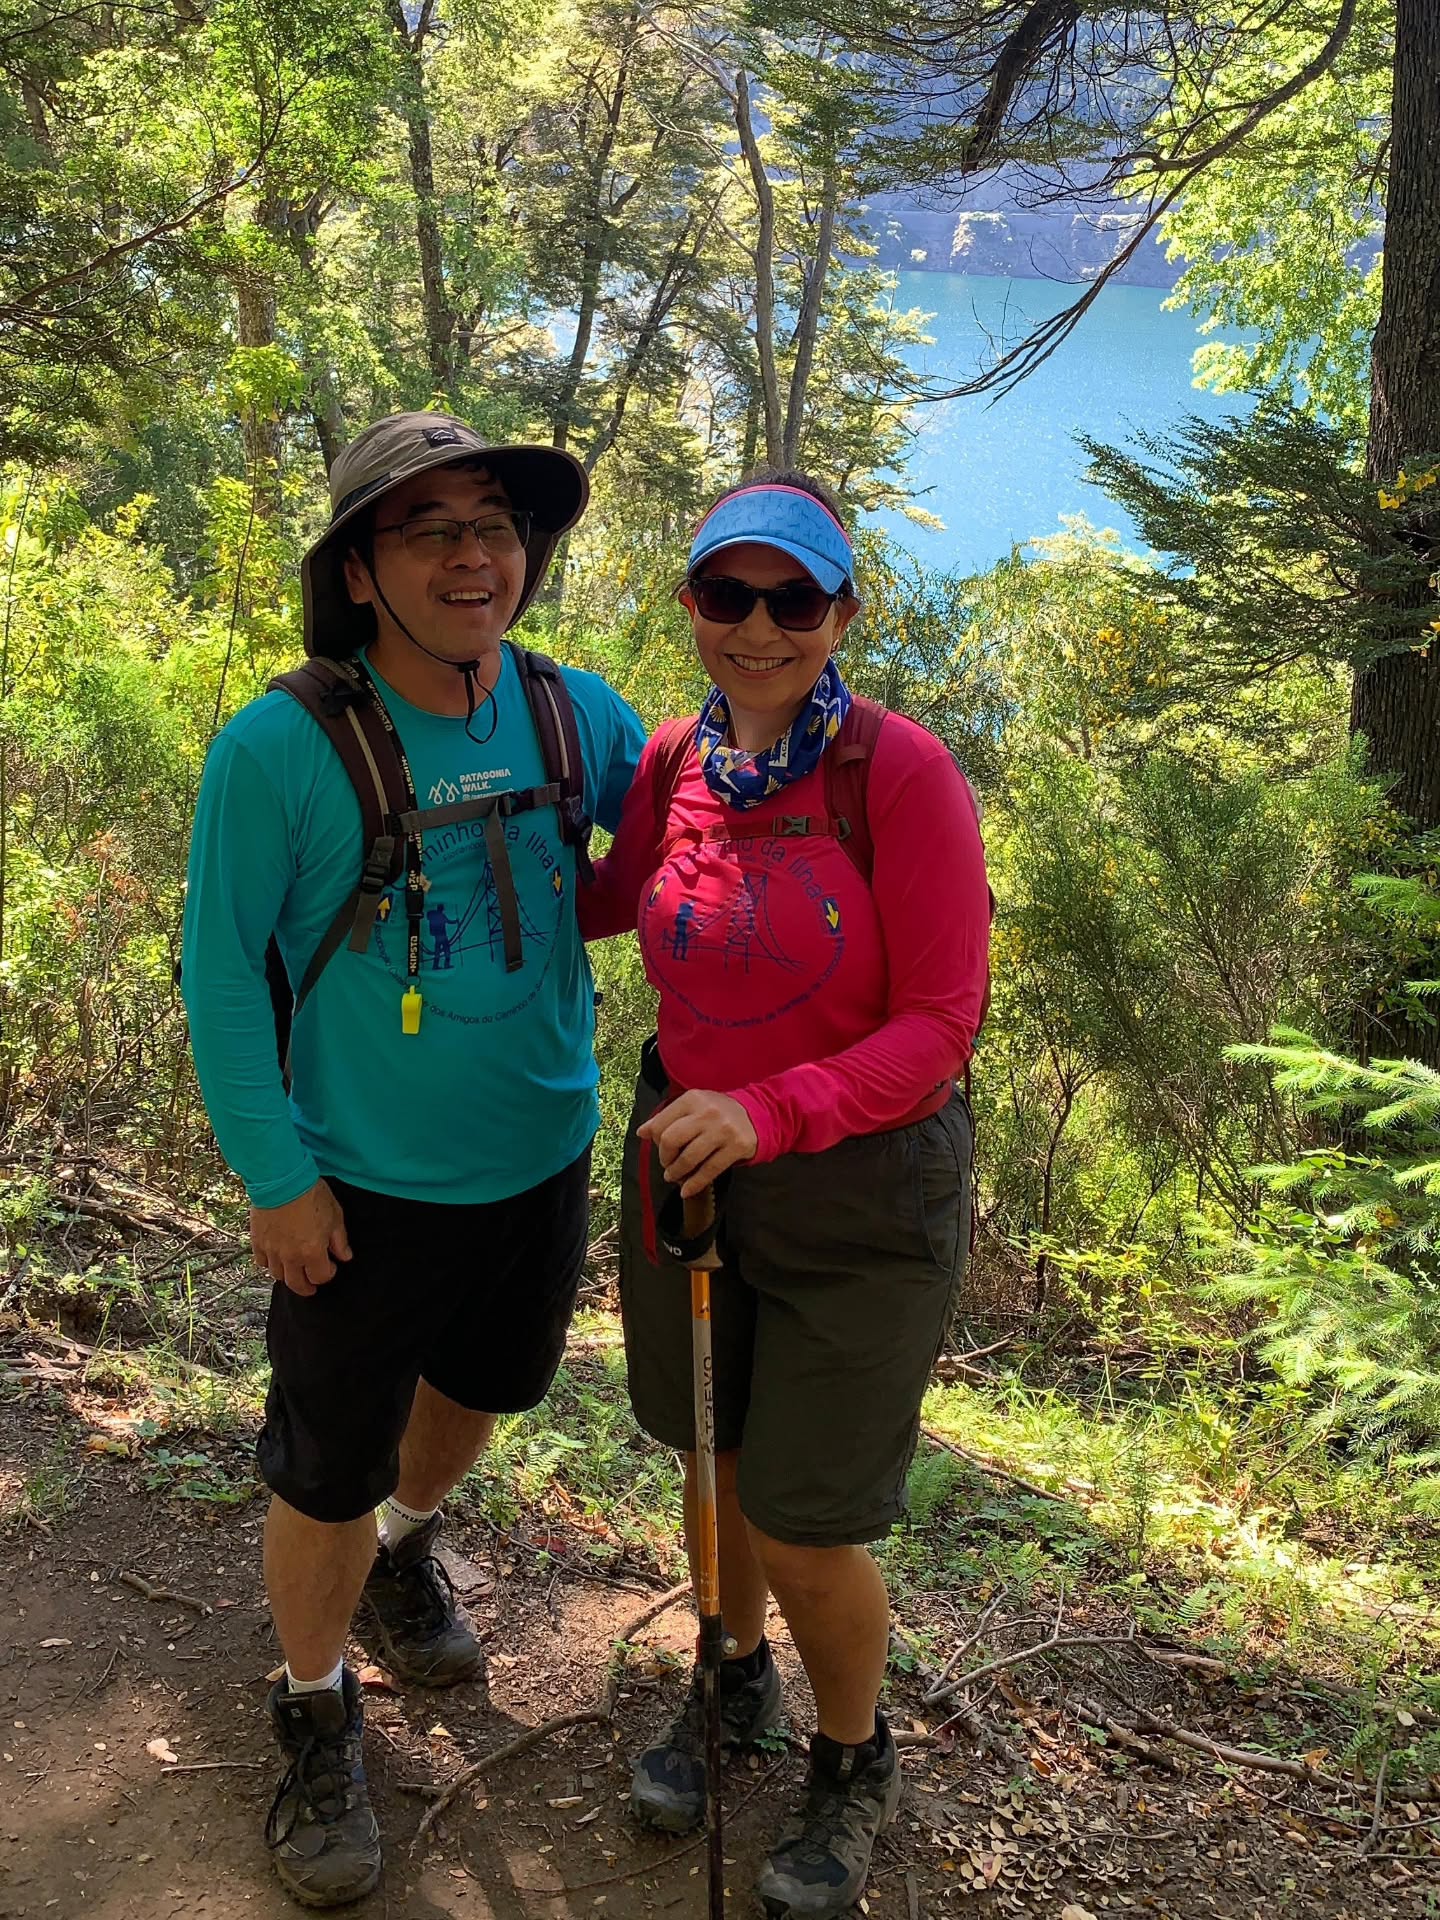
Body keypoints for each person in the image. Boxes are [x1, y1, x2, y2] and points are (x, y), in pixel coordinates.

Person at [182, 412, 646, 1908]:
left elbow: (705, 840)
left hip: (542, 1149)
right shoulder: (281, 747)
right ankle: (314, 1707)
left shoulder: (580, 716)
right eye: (430, 527)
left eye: (496, 524)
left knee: (486, 1394)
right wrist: (274, 1176)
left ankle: (408, 1548)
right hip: (358, 1184)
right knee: (324, 1465)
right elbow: (219, 973)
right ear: (360, 571)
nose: (473, 553)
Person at [579, 472, 990, 1918]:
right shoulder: (675, 759)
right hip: (692, 1159)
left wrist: (771, 1112)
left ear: (840, 614)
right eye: (726, 596)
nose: (757, 627)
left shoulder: (902, 776)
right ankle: (730, 1678)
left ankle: (851, 1756)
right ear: (692, 603)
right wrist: (489, 739)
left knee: (810, 1516)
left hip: (862, 1192)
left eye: (792, 599)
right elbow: (604, 898)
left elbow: (941, 1028)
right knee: (712, 1455)